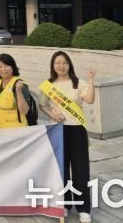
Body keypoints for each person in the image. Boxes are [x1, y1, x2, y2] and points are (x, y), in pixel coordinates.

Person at [39, 51, 96, 223]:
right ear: (53, 65)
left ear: (69, 64)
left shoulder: (78, 83)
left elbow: (90, 99)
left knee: (81, 170)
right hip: (58, 130)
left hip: (77, 130)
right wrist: (53, 114)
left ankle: (84, 209)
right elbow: (42, 104)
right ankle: (64, 204)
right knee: (61, 169)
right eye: (57, 63)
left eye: (64, 62)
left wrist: (91, 80)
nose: (61, 66)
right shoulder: (48, 85)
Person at [0, 53, 31, 128]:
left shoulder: (19, 84)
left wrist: (18, 91)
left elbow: (25, 111)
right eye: (0, 66)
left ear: (13, 67)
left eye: (6, 66)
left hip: (15, 130)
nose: (3, 69)